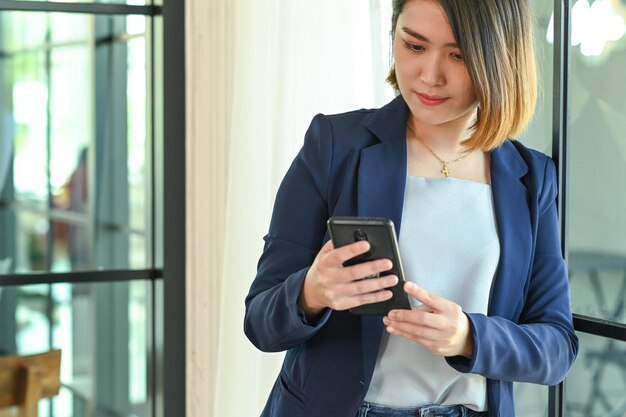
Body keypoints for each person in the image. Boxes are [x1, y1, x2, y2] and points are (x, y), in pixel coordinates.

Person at [244, 0, 579, 416]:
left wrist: (469, 337)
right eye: (414, 46)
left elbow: (557, 347)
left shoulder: (531, 178)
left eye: (457, 55)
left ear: (500, 60)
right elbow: (259, 321)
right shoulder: (334, 146)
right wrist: (312, 292)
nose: (428, 75)